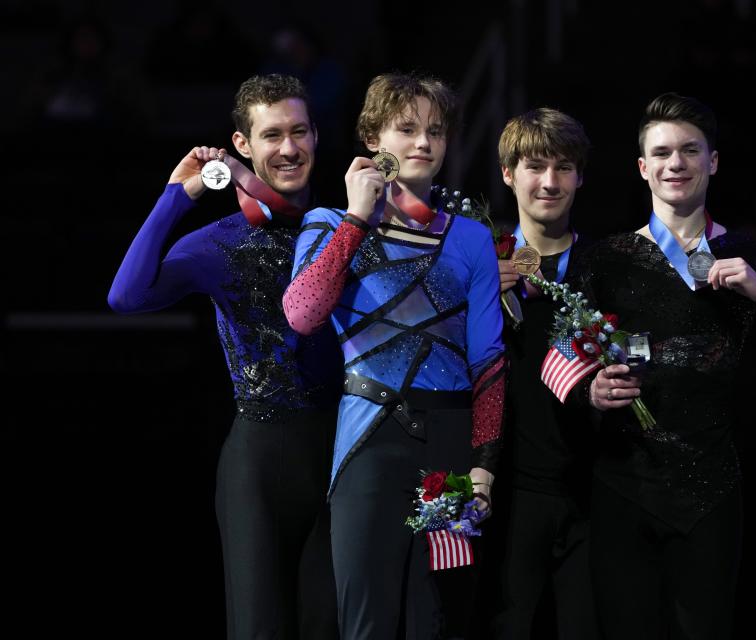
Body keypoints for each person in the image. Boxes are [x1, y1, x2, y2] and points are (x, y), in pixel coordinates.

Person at [567, 93, 756, 639]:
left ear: (713, 162)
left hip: (713, 493)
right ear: (643, 168)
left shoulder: (747, 258)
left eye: (690, 151)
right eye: (663, 152)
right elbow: (565, 363)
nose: (676, 163)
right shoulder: (603, 262)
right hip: (622, 489)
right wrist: (591, 392)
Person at [107, 74, 340, 639]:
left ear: (315, 135)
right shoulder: (217, 241)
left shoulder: (342, 229)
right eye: (272, 135)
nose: (288, 149)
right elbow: (127, 296)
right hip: (258, 462)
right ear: (242, 146)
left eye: (299, 131)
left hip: (341, 452)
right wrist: (175, 195)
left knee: (332, 626)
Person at [281, 72, 505, 640]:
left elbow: (489, 362)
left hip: (450, 446)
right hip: (370, 438)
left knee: (436, 620)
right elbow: (303, 314)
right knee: (366, 621)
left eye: (435, 130)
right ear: (372, 138)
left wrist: (482, 467)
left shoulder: (472, 238)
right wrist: (358, 216)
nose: (423, 143)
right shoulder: (329, 224)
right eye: (406, 129)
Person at [475, 108, 598, 639]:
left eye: (564, 167)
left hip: (592, 493)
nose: (550, 182)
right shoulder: (479, 266)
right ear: (508, 173)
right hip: (508, 494)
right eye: (534, 166)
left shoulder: (604, 268)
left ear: (580, 176)